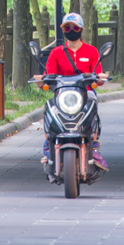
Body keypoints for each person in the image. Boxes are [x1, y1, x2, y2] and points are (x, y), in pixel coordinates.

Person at [39, 12, 107, 171]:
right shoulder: (56, 52)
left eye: (74, 27)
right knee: (49, 108)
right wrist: (41, 80)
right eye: (67, 27)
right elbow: (47, 75)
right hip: (62, 94)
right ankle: (49, 143)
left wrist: (100, 78)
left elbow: (98, 75)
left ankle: (94, 146)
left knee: (92, 105)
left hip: (85, 93)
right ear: (63, 30)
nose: (71, 30)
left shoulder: (91, 51)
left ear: (81, 30)